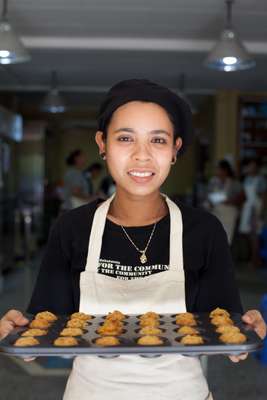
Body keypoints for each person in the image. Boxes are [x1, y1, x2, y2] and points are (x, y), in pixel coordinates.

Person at [0, 79, 266, 400]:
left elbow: (225, 335)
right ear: (102, 143)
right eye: (125, 138)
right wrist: (16, 331)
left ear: (175, 150)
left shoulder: (204, 231)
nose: (142, 156)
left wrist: (246, 335)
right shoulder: (71, 228)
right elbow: (43, 332)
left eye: (158, 140)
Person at [205, 160, 245, 244]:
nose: (216, 171)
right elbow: (208, 197)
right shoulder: (213, 182)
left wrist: (231, 201)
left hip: (229, 216)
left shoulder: (234, 183)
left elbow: (243, 197)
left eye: (218, 169)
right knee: (214, 239)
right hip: (216, 214)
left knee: (226, 240)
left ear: (225, 170)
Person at [239, 158, 267, 267]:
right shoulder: (247, 179)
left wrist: (261, 212)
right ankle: (255, 258)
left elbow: (264, 197)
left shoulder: (260, 180)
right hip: (247, 208)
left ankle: (256, 260)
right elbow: (245, 195)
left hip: (256, 209)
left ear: (256, 167)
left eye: (251, 165)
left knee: (255, 236)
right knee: (249, 235)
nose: (249, 168)